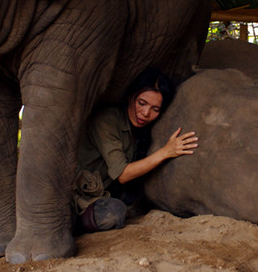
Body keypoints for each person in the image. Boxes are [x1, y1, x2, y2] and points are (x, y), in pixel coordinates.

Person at [74, 68, 198, 233]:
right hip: (76, 197)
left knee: (117, 209)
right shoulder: (107, 121)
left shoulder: (143, 132)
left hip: (100, 197)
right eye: (142, 103)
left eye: (155, 109)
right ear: (130, 96)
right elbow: (123, 174)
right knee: (113, 212)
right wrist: (166, 152)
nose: (145, 113)